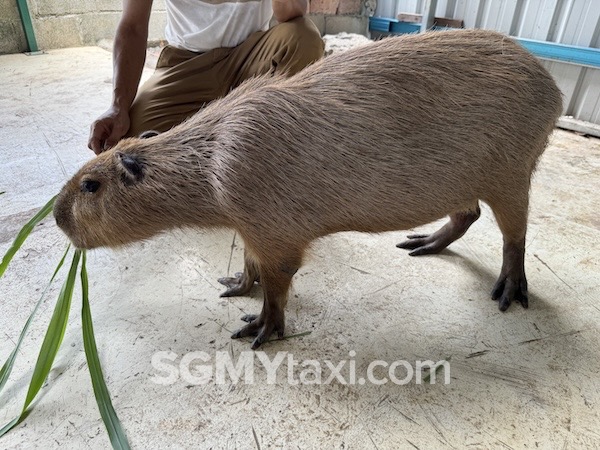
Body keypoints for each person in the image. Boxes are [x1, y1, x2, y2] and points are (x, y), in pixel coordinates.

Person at [88, 0, 324, 154]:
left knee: (304, 38)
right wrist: (118, 106)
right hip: (185, 65)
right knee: (131, 147)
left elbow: (293, 13)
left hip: (252, 58)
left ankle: (271, 140)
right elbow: (132, 27)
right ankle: (227, 133)